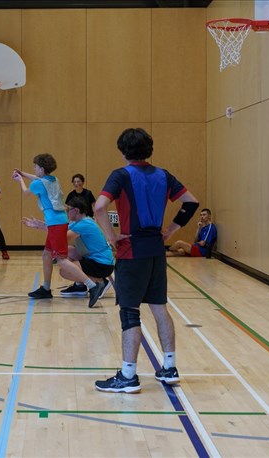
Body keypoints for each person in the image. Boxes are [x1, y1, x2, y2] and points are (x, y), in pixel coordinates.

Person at [93, 127, 199, 393]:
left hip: (131, 250)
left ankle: (128, 375)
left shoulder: (121, 175)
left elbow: (99, 206)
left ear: (123, 151)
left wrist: (111, 237)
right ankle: (169, 367)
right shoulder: (164, 175)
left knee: (130, 311)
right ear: (149, 149)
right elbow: (191, 202)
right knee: (159, 307)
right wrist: (171, 230)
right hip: (156, 250)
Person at [13, 153, 106, 308]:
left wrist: (20, 180)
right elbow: (38, 179)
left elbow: (26, 192)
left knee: (61, 259)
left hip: (55, 224)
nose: (34, 169)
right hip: (59, 221)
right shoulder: (53, 179)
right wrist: (23, 173)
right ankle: (46, 288)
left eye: (35, 166)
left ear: (41, 169)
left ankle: (92, 285)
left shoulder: (38, 184)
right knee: (47, 254)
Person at [23, 197, 114, 300]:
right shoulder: (80, 222)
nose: (66, 212)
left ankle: (99, 282)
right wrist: (40, 225)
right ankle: (80, 286)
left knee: (64, 271)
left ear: (76, 210)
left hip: (102, 265)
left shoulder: (84, 224)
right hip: (99, 260)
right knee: (69, 250)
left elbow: (62, 237)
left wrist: (41, 227)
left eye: (68, 210)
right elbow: (59, 230)